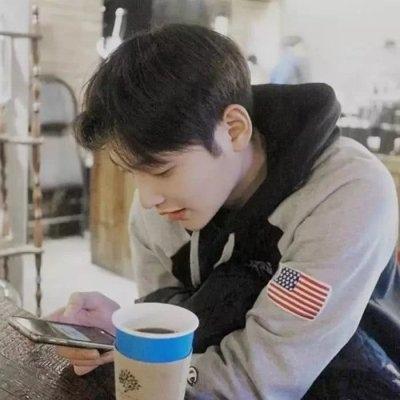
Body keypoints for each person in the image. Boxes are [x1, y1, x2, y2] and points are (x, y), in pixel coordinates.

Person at [48, 24, 400, 399]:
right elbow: (178, 324)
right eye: (132, 173)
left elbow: (261, 380)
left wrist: (146, 364)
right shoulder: (160, 210)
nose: (147, 199)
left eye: (162, 170)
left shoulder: (346, 193)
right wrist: (124, 334)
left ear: (233, 130)